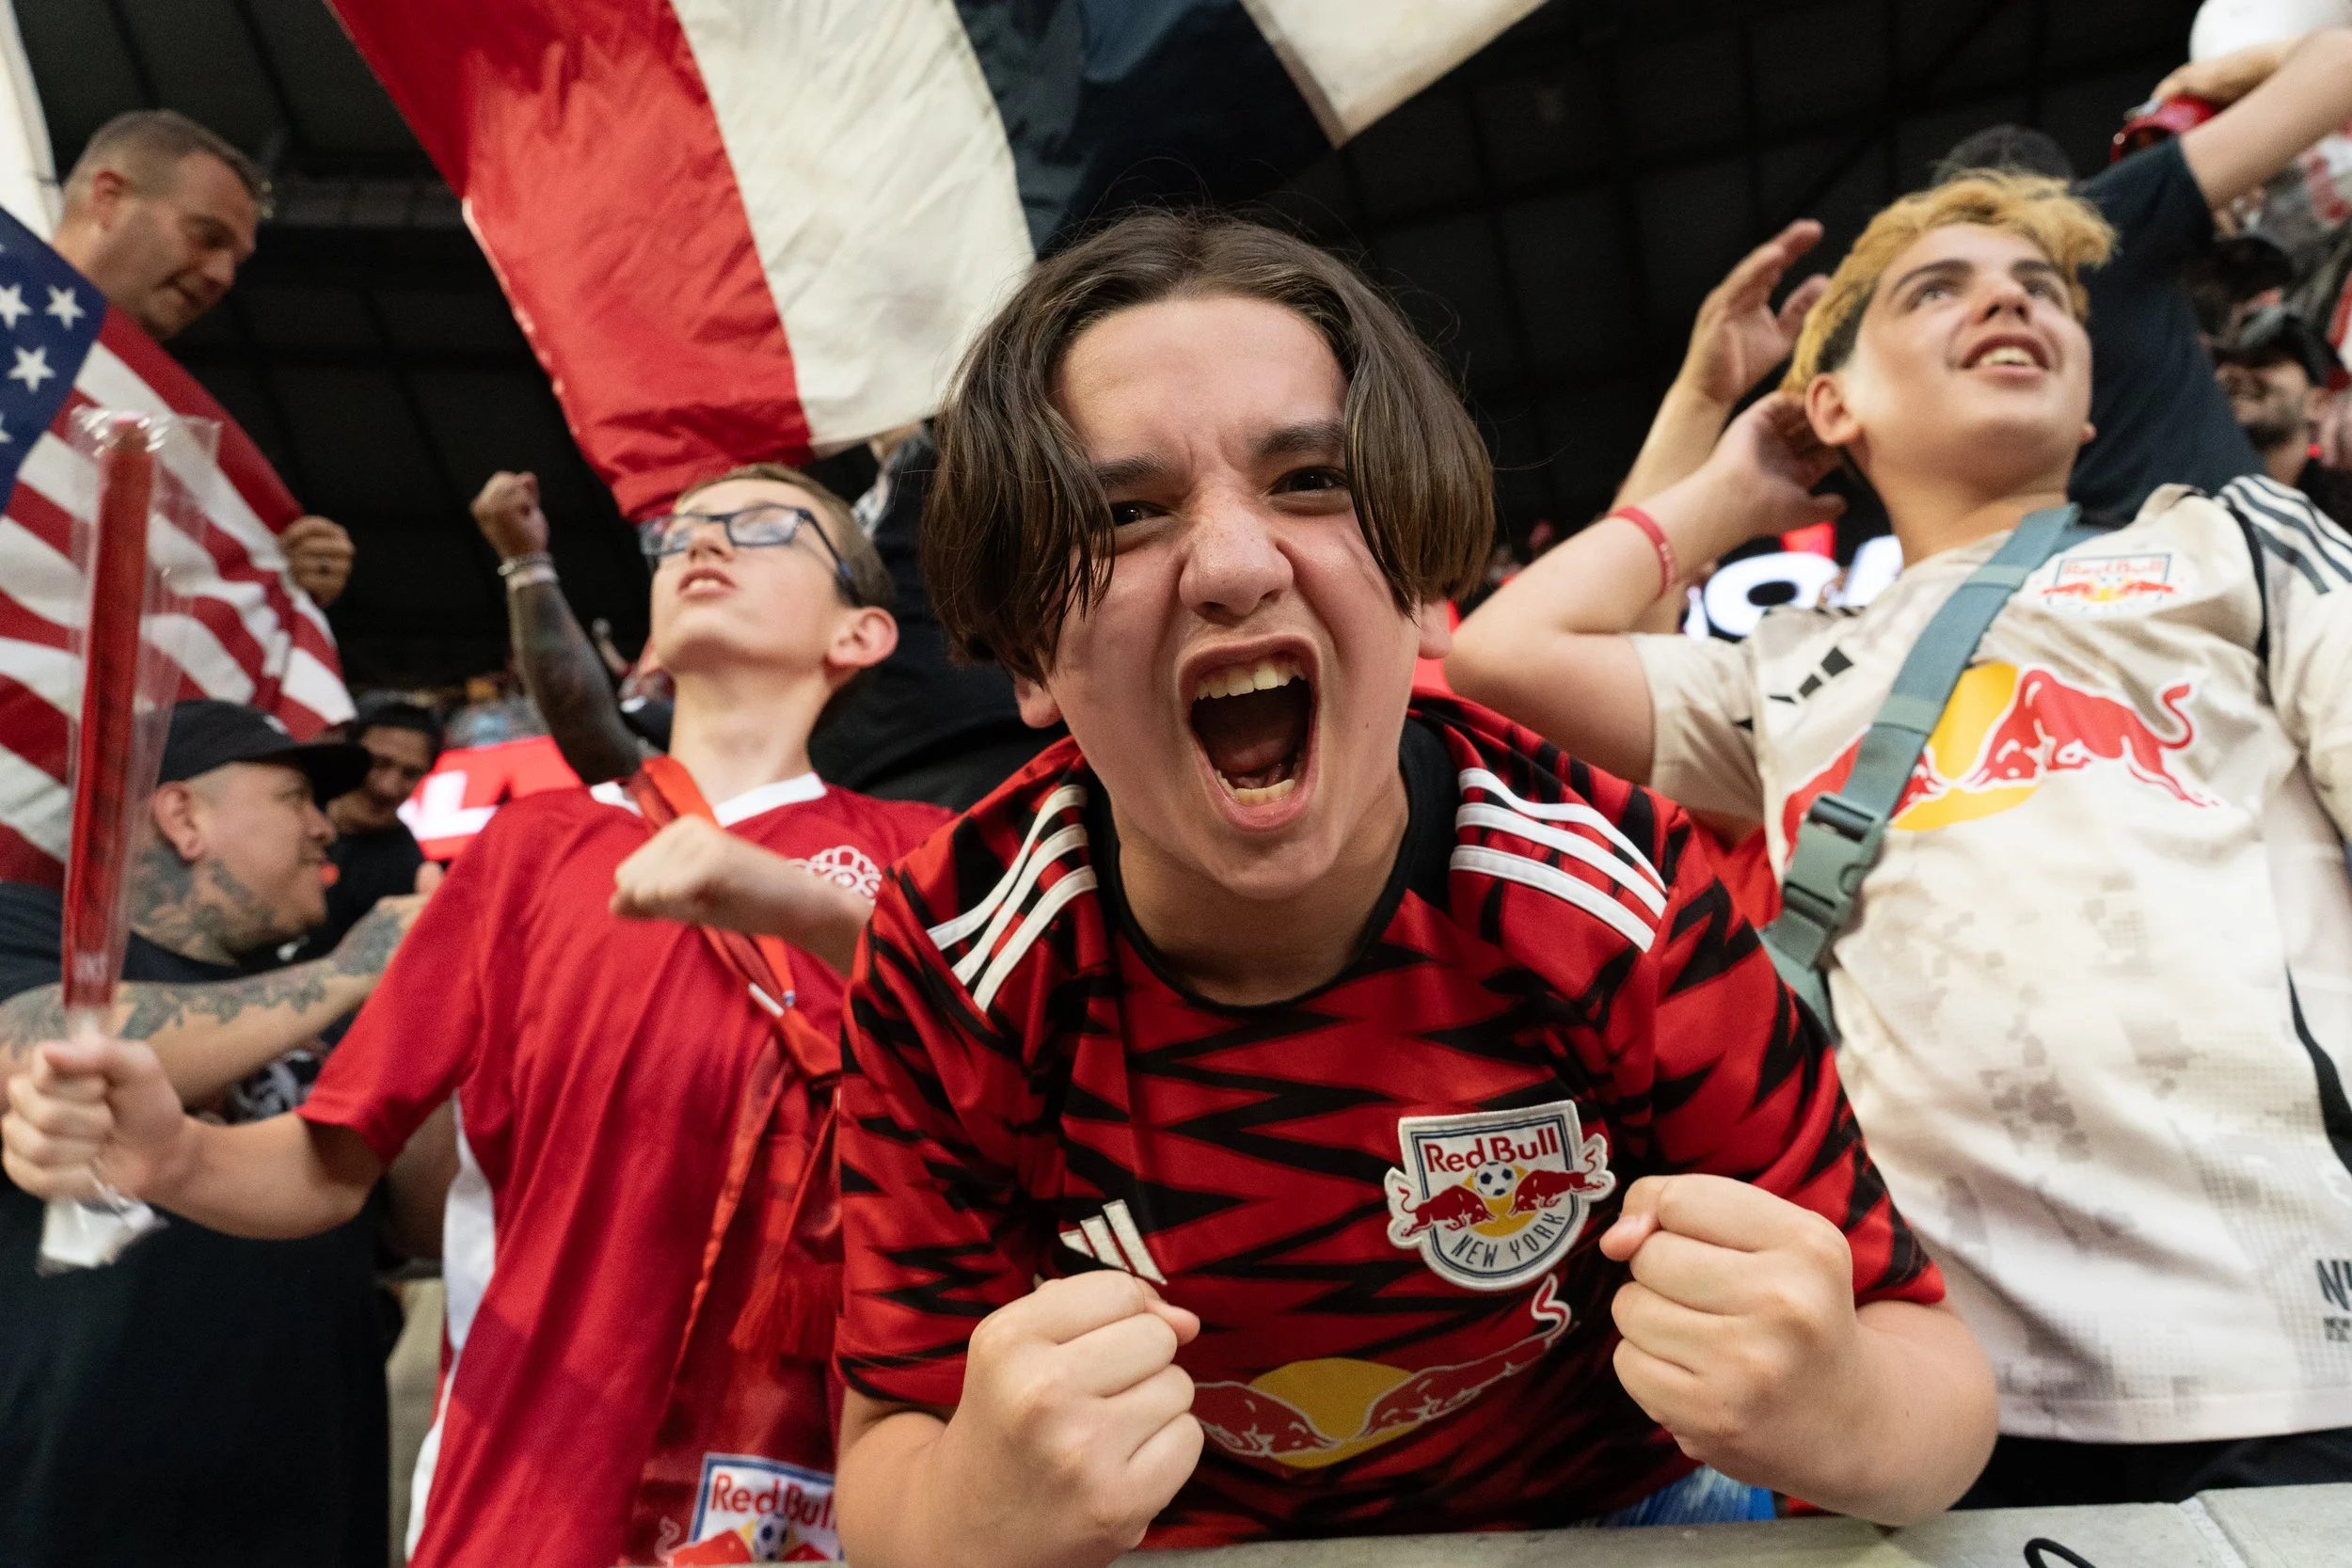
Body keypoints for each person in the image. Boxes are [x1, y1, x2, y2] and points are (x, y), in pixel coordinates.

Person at [823, 212, 1996, 1568]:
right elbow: (890, 1450)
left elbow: (1934, 1385)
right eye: (1126, 512)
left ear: (1425, 591)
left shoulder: (1623, 893)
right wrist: (971, 1508)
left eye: (1311, 479)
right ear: (1031, 657)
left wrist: (1840, 1407)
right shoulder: (951, 962)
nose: (1235, 564)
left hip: (1616, 1519)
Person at [1451, 171, 2352, 1506]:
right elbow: (1499, 657)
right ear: (1834, 408)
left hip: (2297, 1341)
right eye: (1941, 288)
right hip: (1947, 1396)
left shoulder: (2229, 543)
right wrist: (1731, 483)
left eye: (2041, 290)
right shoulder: (1779, 669)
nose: (2005, 297)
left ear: (2091, 393)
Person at [4, 466, 950, 1568]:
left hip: (826, 1488)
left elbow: (1011, 1089)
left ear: (863, 633)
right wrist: (173, 1153)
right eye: (680, 530)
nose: (705, 541)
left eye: (766, 526)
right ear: (643, 650)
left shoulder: (925, 854)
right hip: (526, 1493)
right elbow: (330, 1162)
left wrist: (805, 910)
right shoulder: (526, 852)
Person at [0, 698, 433, 1568]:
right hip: (75, 1514)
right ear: (183, 815)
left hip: (309, 1506)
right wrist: (356, 967)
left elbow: (413, 1224)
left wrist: (439, 1005)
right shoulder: (37, 932)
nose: (326, 830)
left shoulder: (338, 999)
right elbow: (55, 1045)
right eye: (293, 798)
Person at [1935, 22, 2352, 517]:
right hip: (2205, 564)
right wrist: (2222, 73)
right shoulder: (2103, 224)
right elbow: (2342, 60)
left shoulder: (1926, 334)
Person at [50, 109, 353, 607]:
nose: (221, 277)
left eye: (235, 260)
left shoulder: (185, 431)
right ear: (108, 197)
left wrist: (272, 571)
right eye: (207, 237)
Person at [294, 694, 443, 960]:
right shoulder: (283, 816)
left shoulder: (408, 875)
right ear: (347, 751)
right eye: (378, 763)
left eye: (410, 774)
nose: (388, 787)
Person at [2215, 302, 2352, 523]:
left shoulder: (2326, 528)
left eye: (2263, 362)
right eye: (2221, 362)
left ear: (2317, 403)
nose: (2228, 373)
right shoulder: (2174, 474)